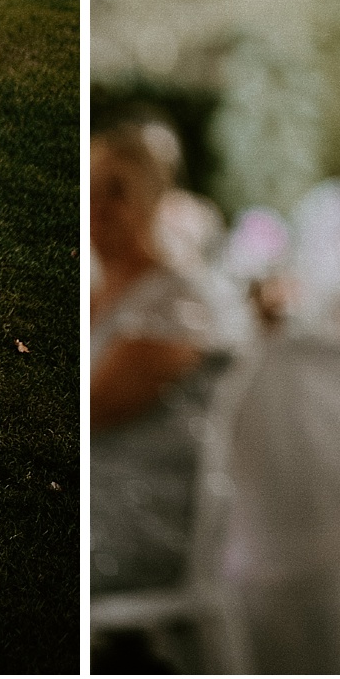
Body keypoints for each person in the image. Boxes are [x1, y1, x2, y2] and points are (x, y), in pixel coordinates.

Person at [90, 122, 225, 644]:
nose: (99, 206)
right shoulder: (104, 286)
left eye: (117, 192)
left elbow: (95, 410)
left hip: (146, 512)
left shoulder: (175, 299)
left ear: (153, 200)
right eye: (94, 188)